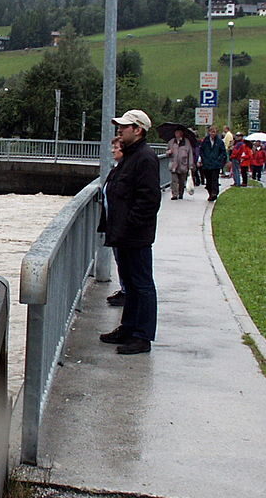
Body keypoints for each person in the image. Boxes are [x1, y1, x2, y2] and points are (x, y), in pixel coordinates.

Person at [98, 109, 161, 355]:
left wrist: (130, 225)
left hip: (134, 236)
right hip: (123, 235)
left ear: (138, 130)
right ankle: (128, 328)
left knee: (142, 285)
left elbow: (148, 200)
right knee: (131, 286)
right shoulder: (131, 156)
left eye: (124, 127)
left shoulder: (145, 158)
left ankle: (142, 337)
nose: (119, 131)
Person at [105, 137, 126, 307]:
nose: (113, 150)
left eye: (116, 148)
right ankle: (124, 289)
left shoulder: (125, 169)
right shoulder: (117, 168)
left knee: (124, 260)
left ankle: (126, 292)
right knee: (120, 260)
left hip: (121, 226)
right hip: (114, 224)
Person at [197, 126, 227, 201]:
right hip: (206, 164)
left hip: (215, 164)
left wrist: (219, 160)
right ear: (209, 132)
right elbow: (201, 151)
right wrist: (203, 159)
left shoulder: (219, 142)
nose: (212, 133)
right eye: (211, 132)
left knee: (214, 179)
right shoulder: (205, 141)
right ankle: (210, 193)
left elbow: (223, 152)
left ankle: (214, 193)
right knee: (208, 180)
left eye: (214, 132)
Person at [165, 128, 193, 200]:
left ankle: (181, 193)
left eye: (178, 133)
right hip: (173, 165)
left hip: (183, 165)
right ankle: (174, 194)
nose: (177, 134)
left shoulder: (186, 142)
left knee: (181, 181)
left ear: (181, 134)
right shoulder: (171, 142)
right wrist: (169, 152)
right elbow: (167, 152)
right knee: (174, 180)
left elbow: (190, 154)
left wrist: (190, 165)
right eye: (176, 133)